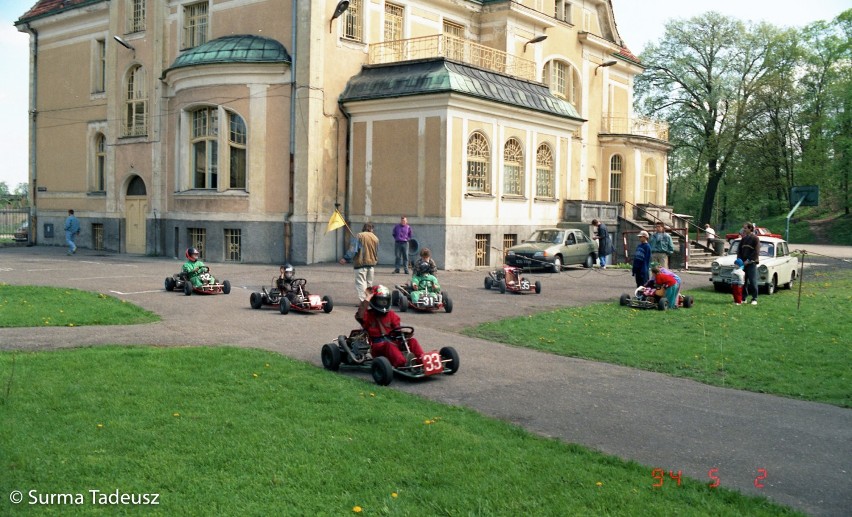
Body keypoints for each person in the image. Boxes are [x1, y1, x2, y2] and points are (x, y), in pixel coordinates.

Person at [355, 285, 424, 368]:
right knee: (389, 345)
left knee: (412, 341)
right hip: (377, 346)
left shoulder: (391, 314)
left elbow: (397, 327)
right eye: (380, 301)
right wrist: (368, 298)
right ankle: (403, 363)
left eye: (385, 301)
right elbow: (360, 316)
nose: (383, 303)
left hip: (392, 341)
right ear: (374, 300)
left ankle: (422, 360)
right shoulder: (369, 315)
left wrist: (403, 334)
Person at [339, 222, 379, 302]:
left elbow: (353, 249)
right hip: (371, 265)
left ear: (364, 228)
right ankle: (369, 301)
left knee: (361, 284)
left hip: (361, 264)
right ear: (371, 229)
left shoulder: (359, 236)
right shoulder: (375, 238)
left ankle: (364, 302)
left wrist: (345, 258)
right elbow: (376, 251)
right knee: (369, 284)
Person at [737, 222, 761, 305]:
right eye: (744, 228)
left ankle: (754, 298)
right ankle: (744, 298)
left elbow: (756, 251)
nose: (744, 229)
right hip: (743, 264)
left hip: (751, 263)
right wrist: (740, 261)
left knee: (753, 281)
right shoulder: (743, 239)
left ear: (750, 229)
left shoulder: (755, 238)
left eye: (746, 228)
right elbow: (739, 250)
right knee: (743, 281)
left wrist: (748, 260)